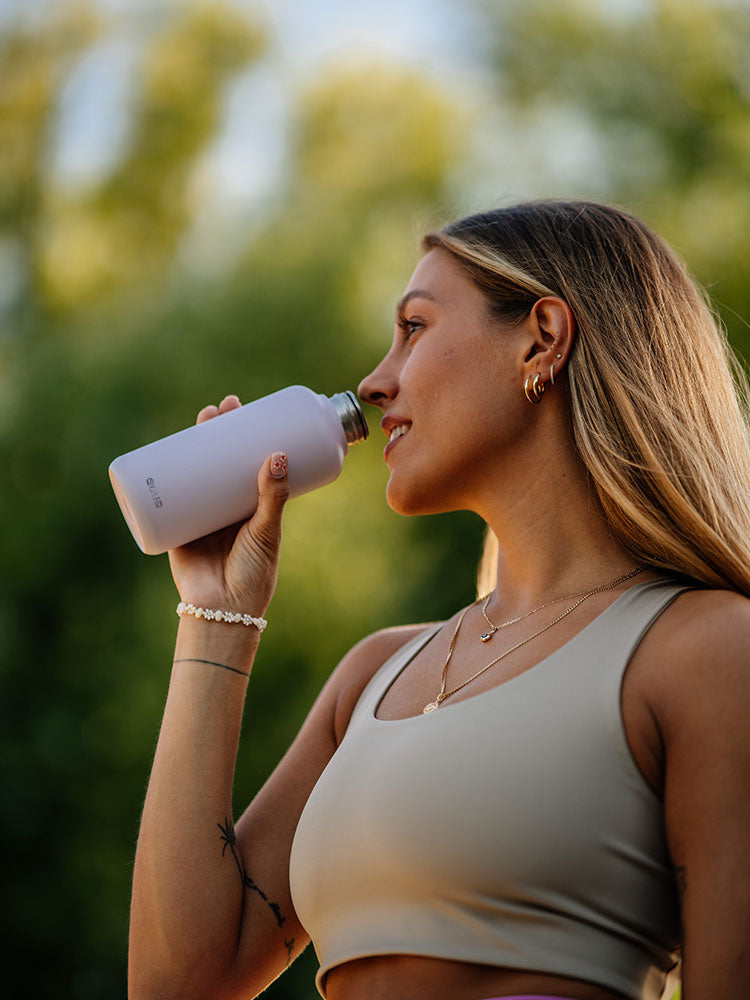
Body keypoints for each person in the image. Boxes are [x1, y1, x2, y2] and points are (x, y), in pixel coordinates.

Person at [127, 200, 750, 1000]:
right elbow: (178, 984)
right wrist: (217, 611)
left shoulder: (706, 650)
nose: (374, 382)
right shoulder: (375, 676)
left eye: (413, 329)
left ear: (543, 337)